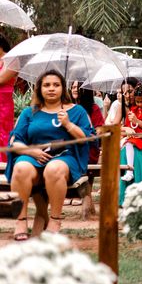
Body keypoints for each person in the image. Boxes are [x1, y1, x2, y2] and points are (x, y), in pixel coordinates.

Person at [7, 70, 93, 238]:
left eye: (56, 85)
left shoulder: (77, 111)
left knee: (53, 169)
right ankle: (20, 220)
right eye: (47, 85)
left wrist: (68, 124)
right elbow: (15, 141)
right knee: (21, 168)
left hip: (65, 158)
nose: (51, 89)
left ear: (63, 88)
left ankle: (55, 219)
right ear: (40, 89)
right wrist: (32, 151)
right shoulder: (29, 112)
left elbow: (86, 139)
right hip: (33, 156)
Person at [69, 81, 105, 209]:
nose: (75, 89)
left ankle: (79, 194)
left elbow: (99, 130)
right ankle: (70, 193)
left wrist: (83, 133)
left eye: (78, 87)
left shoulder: (93, 108)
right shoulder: (67, 107)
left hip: (88, 147)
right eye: (73, 87)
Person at [0, 35, 18, 163]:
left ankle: (3, 164)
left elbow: (1, 79)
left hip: (3, 103)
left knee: (3, 133)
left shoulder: (12, 60)